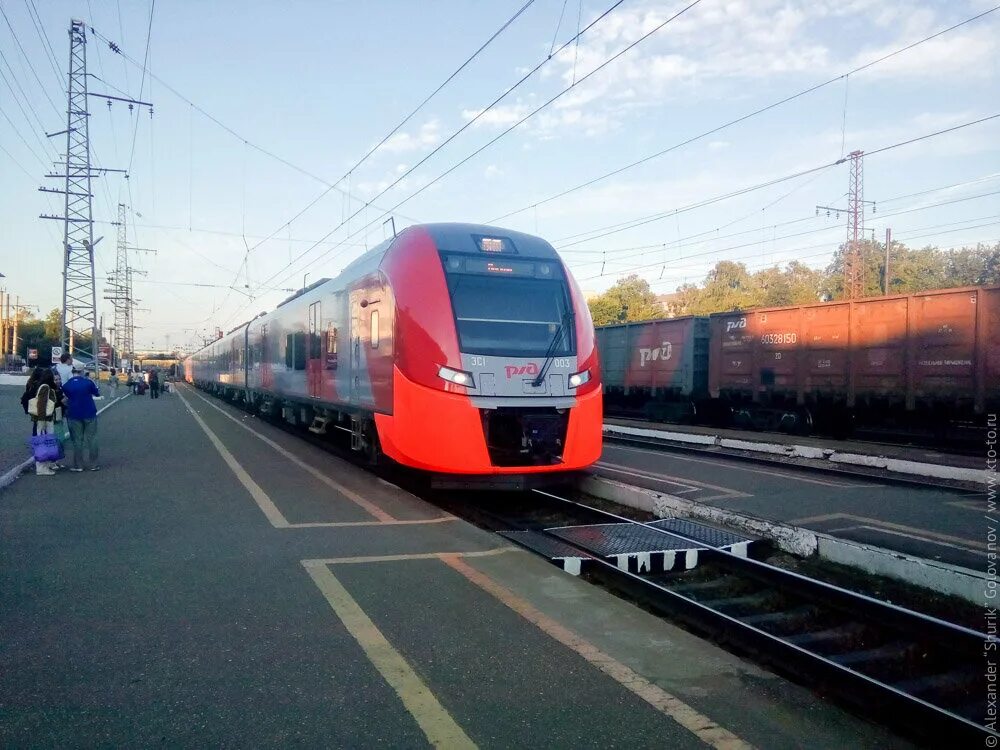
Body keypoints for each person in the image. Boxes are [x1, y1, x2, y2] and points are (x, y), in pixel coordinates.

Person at [62, 365, 102, 472]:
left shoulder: (66, 385)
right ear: (82, 371)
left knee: (77, 440)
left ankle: (78, 465)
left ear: (73, 371)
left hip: (74, 414)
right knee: (92, 438)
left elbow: (65, 397)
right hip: (89, 413)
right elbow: (97, 392)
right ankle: (93, 464)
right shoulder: (88, 383)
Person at [27, 378, 58, 475]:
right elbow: (42, 405)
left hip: (43, 420)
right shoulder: (45, 388)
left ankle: (44, 466)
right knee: (43, 443)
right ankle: (41, 467)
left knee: (45, 443)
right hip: (44, 421)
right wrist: (42, 421)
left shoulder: (42, 387)